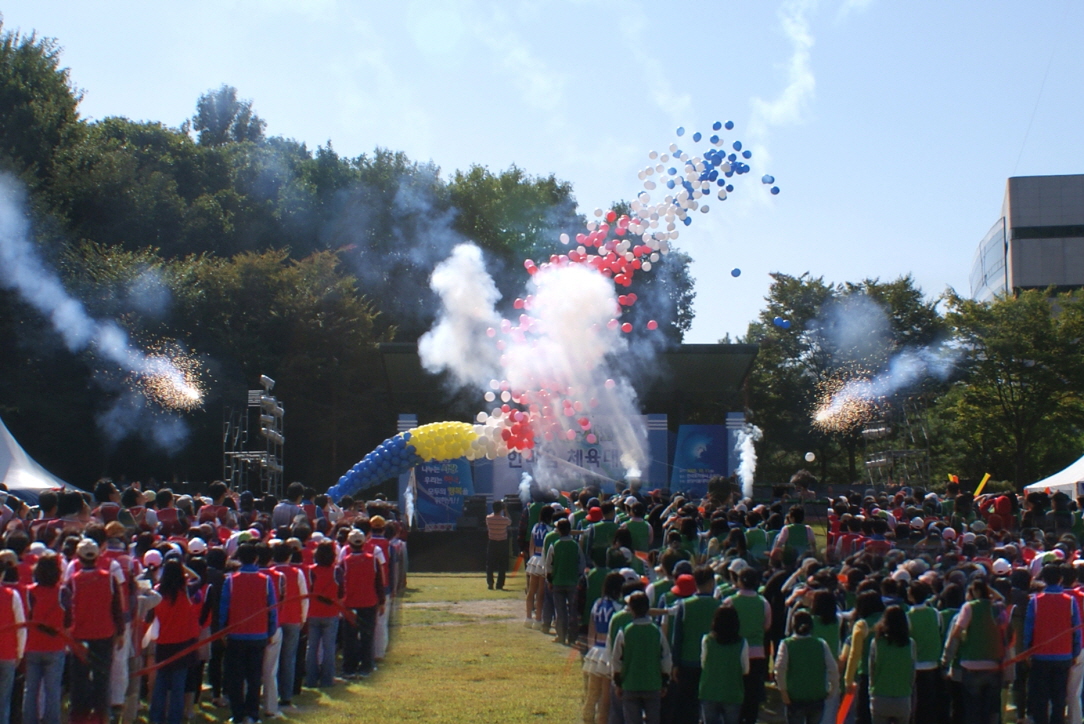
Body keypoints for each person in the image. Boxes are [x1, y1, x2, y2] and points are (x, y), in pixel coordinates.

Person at [65, 538, 123, 724]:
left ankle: (79, 718)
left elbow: (67, 610)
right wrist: (120, 632)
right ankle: (102, 716)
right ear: (97, 556)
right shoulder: (109, 578)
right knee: (102, 679)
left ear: (79, 557)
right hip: (104, 634)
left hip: (80, 635)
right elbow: (117, 608)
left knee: (79, 680)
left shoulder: (72, 581)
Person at [218, 543, 278, 724]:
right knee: (254, 678)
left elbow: (224, 609)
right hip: (258, 635)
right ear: (256, 558)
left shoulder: (231, 580)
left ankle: (237, 714)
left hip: (236, 635)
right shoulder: (266, 580)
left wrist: (222, 630)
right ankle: (252, 714)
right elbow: (272, 609)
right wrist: (271, 631)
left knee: (236, 678)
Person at [942, 578, 1007, 724]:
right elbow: (1001, 599)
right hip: (994, 664)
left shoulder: (969, 607)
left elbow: (957, 633)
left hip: (971, 664)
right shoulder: (997, 607)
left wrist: (946, 659)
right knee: (990, 709)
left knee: (973, 709)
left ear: (974, 592)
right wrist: (988, 589)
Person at [1025, 565, 1081, 724]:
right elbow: (1076, 630)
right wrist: (1074, 653)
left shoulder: (1035, 601)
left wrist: (1028, 651)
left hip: (1040, 655)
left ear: (1043, 579)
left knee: (1040, 698)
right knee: (1059, 698)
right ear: (1060, 579)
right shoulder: (1070, 601)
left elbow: (1029, 630)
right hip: (1063, 655)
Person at [149, 558, 203, 724]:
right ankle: (174, 720)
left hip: (164, 643)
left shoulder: (156, 592)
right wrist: (182, 567)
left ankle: (156, 719)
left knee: (161, 684)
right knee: (178, 687)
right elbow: (199, 579)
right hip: (184, 644)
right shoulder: (186, 591)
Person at [670, 566, 722, 724]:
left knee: (686, 706)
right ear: (711, 583)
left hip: (687, 661)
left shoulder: (684, 605)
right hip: (711, 664)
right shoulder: (719, 606)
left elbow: (677, 637)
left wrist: (675, 663)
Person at [612, 591, 672, 724]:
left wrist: (618, 682)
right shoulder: (657, 631)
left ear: (632, 610)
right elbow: (666, 658)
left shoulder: (624, 632)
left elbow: (616, 660)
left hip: (630, 684)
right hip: (653, 684)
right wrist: (665, 681)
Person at [723, 567, 771, 724]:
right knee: (752, 695)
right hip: (756, 654)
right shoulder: (763, 603)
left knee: (735, 692)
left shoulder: (729, 602)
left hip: (734, 652)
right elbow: (766, 625)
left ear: (738, 581)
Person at [775, 610, 837, 724]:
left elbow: (780, 669)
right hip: (817, 696)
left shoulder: (787, 644)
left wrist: (783, 691)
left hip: (795, 697)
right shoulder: (821, 644)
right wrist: (832, 690)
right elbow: (833, 669)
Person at [23, 553, 63, 724]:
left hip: (32, 645)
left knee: (30, 689)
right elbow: (69, 619)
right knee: (52, 690)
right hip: (55, 645)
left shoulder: (28, 592)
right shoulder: (63, 592)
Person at [340, 528, 385, 679]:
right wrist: (382, 601)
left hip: (350, 603)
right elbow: (379, 582)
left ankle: (349, 668)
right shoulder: (373, 559)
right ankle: (366, 666)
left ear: (349, 543)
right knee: (367, 636)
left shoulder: (345, 562)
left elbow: (340, 585)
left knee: (350, 637)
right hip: (369, 602)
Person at [699, 606, 748, 724]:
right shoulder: (742, 643)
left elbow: (703, 663)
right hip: (733, 692)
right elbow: (745, 669)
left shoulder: (707, 640)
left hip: (709, 691)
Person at [868, 605, 916, 724]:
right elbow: (912, 672)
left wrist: (871, 688)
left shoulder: (877, 643)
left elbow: (872, 670)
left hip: (880, 696)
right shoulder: (910, 644)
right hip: (903, 697)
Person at [305, 540, 342, 688]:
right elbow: (341, 592)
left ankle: (311, 679)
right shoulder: (336, 571)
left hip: (313, 612)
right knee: (328, 648)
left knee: (312, 647)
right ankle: (327, 679)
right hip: (331, 612)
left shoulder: (310, 570)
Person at [546, 518, 587, 647]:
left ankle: (561, 635)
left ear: (558, 531)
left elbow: (548, 565)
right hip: (572, 582)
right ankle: (573, 637)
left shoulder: (555, 545)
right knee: (573, 611)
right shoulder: (575, 545)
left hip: (557, 581)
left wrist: (550, 580)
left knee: (560, 610)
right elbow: (582, 563)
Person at [485, 500, 511, 591]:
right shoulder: (504, 520)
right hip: (502, 543)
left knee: (490, 564)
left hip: (492, 542)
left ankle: (490, 583)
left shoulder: (488, 518)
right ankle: (500, 585)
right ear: (501, 509)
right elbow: (510, 522)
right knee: (502, 565)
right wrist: (505, 510)